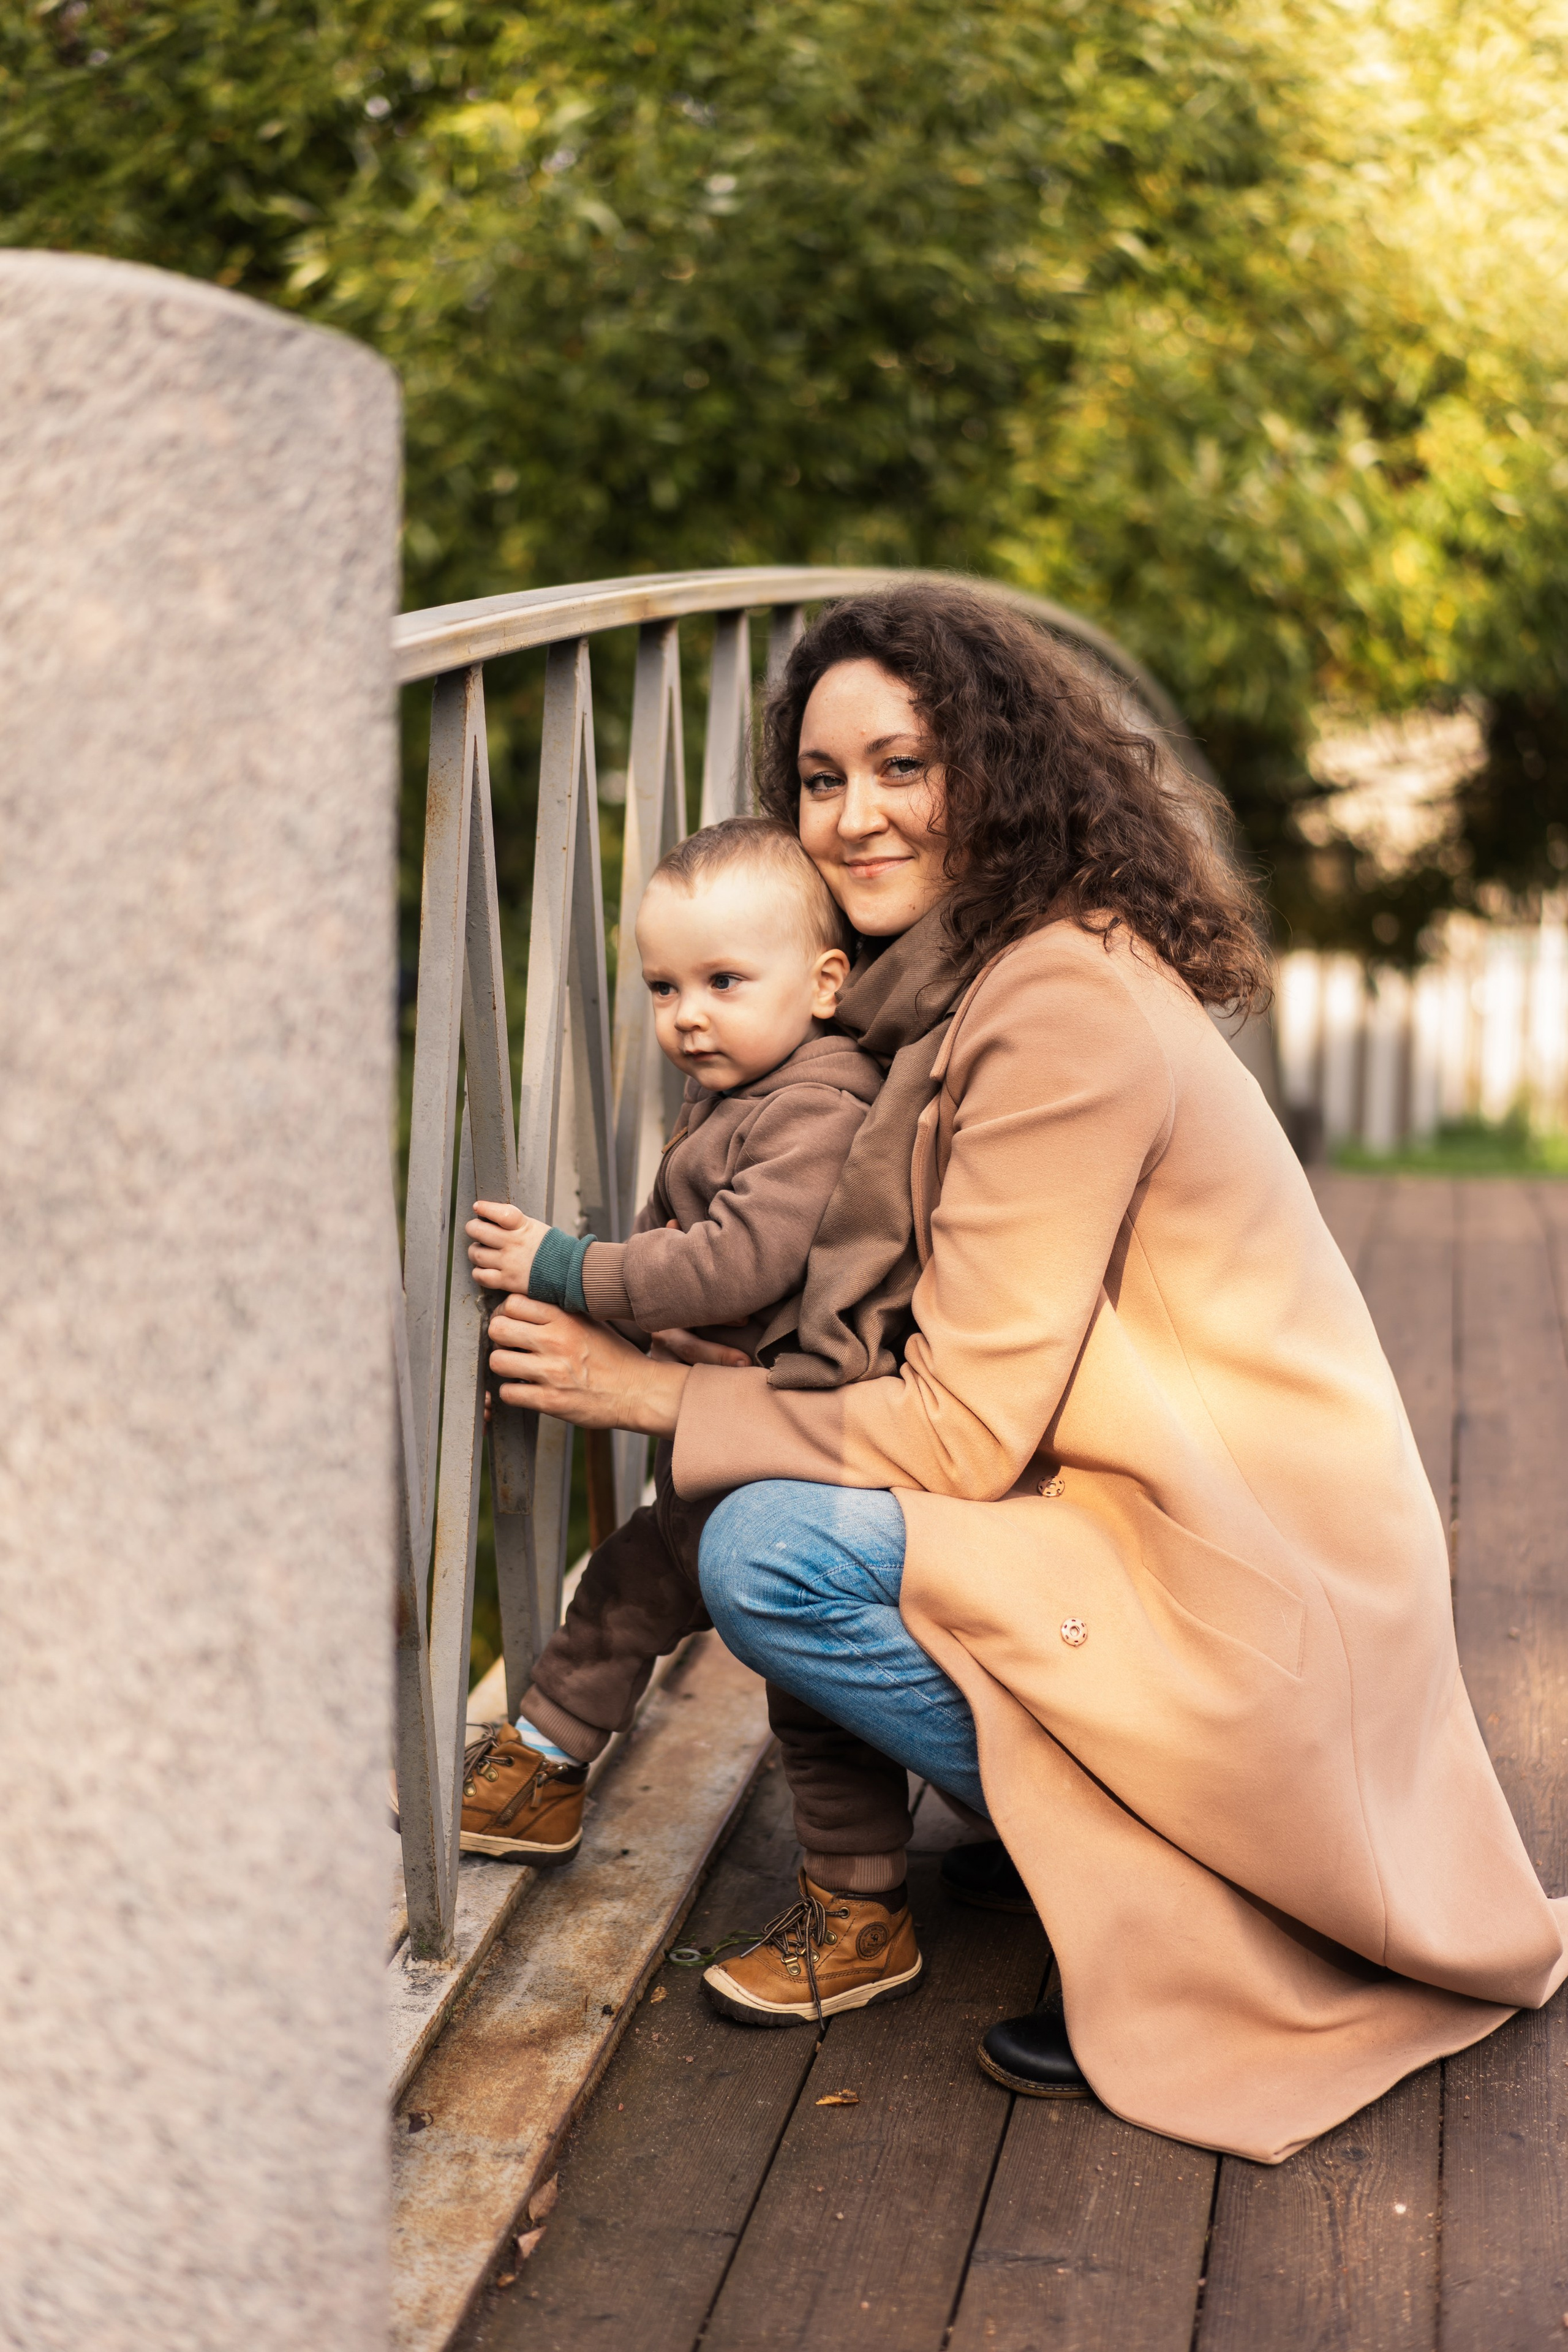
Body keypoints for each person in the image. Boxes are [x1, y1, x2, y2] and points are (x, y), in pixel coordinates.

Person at [483, 582, 1567, 2163]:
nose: (854, 817)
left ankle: (1178, 1872)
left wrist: (647, 1393)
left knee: (767, 1550)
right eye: (821, 779)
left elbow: (958, 1429)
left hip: (1239, 1579)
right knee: (776, 1508)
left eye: (902, 767)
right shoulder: (949, 989)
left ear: (994, 773)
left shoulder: (1053, 1005)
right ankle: (1064, 1810)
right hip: (1147, 1520)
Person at [449, 815, 888, 1887]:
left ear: (824, 983)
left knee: (813, 1705)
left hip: (791, 1454)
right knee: (620, 1592)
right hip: (718, 1450)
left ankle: (861, 1898)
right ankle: (542, 1773)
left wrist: (566, 1267)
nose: (688, 1016)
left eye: (723, 982)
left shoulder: (820, 1108)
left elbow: (731, 1265)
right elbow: (665, 1257)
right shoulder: (731, 1098)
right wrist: (574, 1350)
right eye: (663, 988)